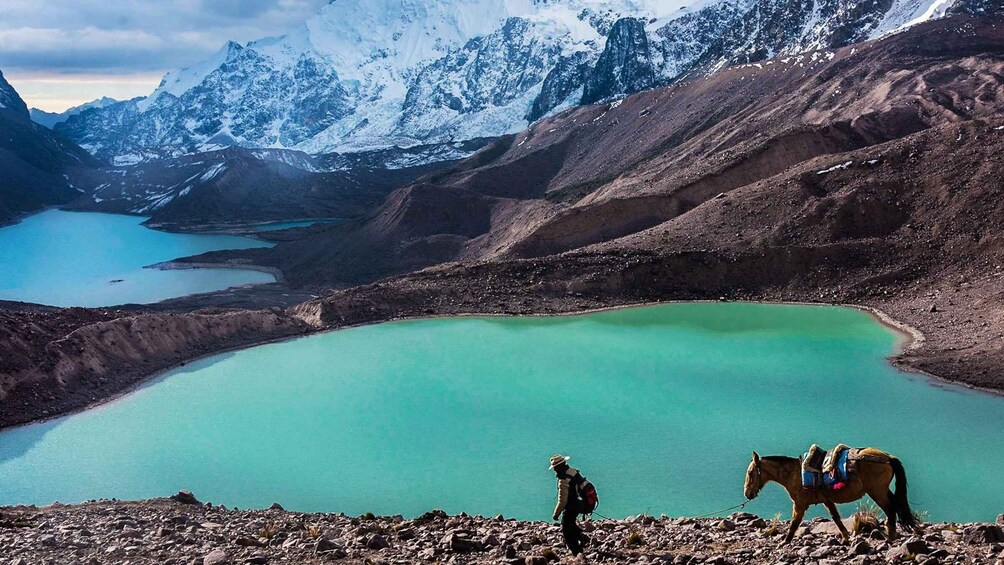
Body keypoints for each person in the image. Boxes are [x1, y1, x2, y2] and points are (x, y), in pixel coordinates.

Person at [549, 454, 589, 557]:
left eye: (555, 467)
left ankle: (577, 552)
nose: (554, 470)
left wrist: (556, 514)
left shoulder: (563, 479)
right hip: (581, 503)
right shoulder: (573, 471)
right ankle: (582, 537)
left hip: (572, 506)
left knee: (566, 529)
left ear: (558, 467)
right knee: (571, 523)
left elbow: (562, 500)